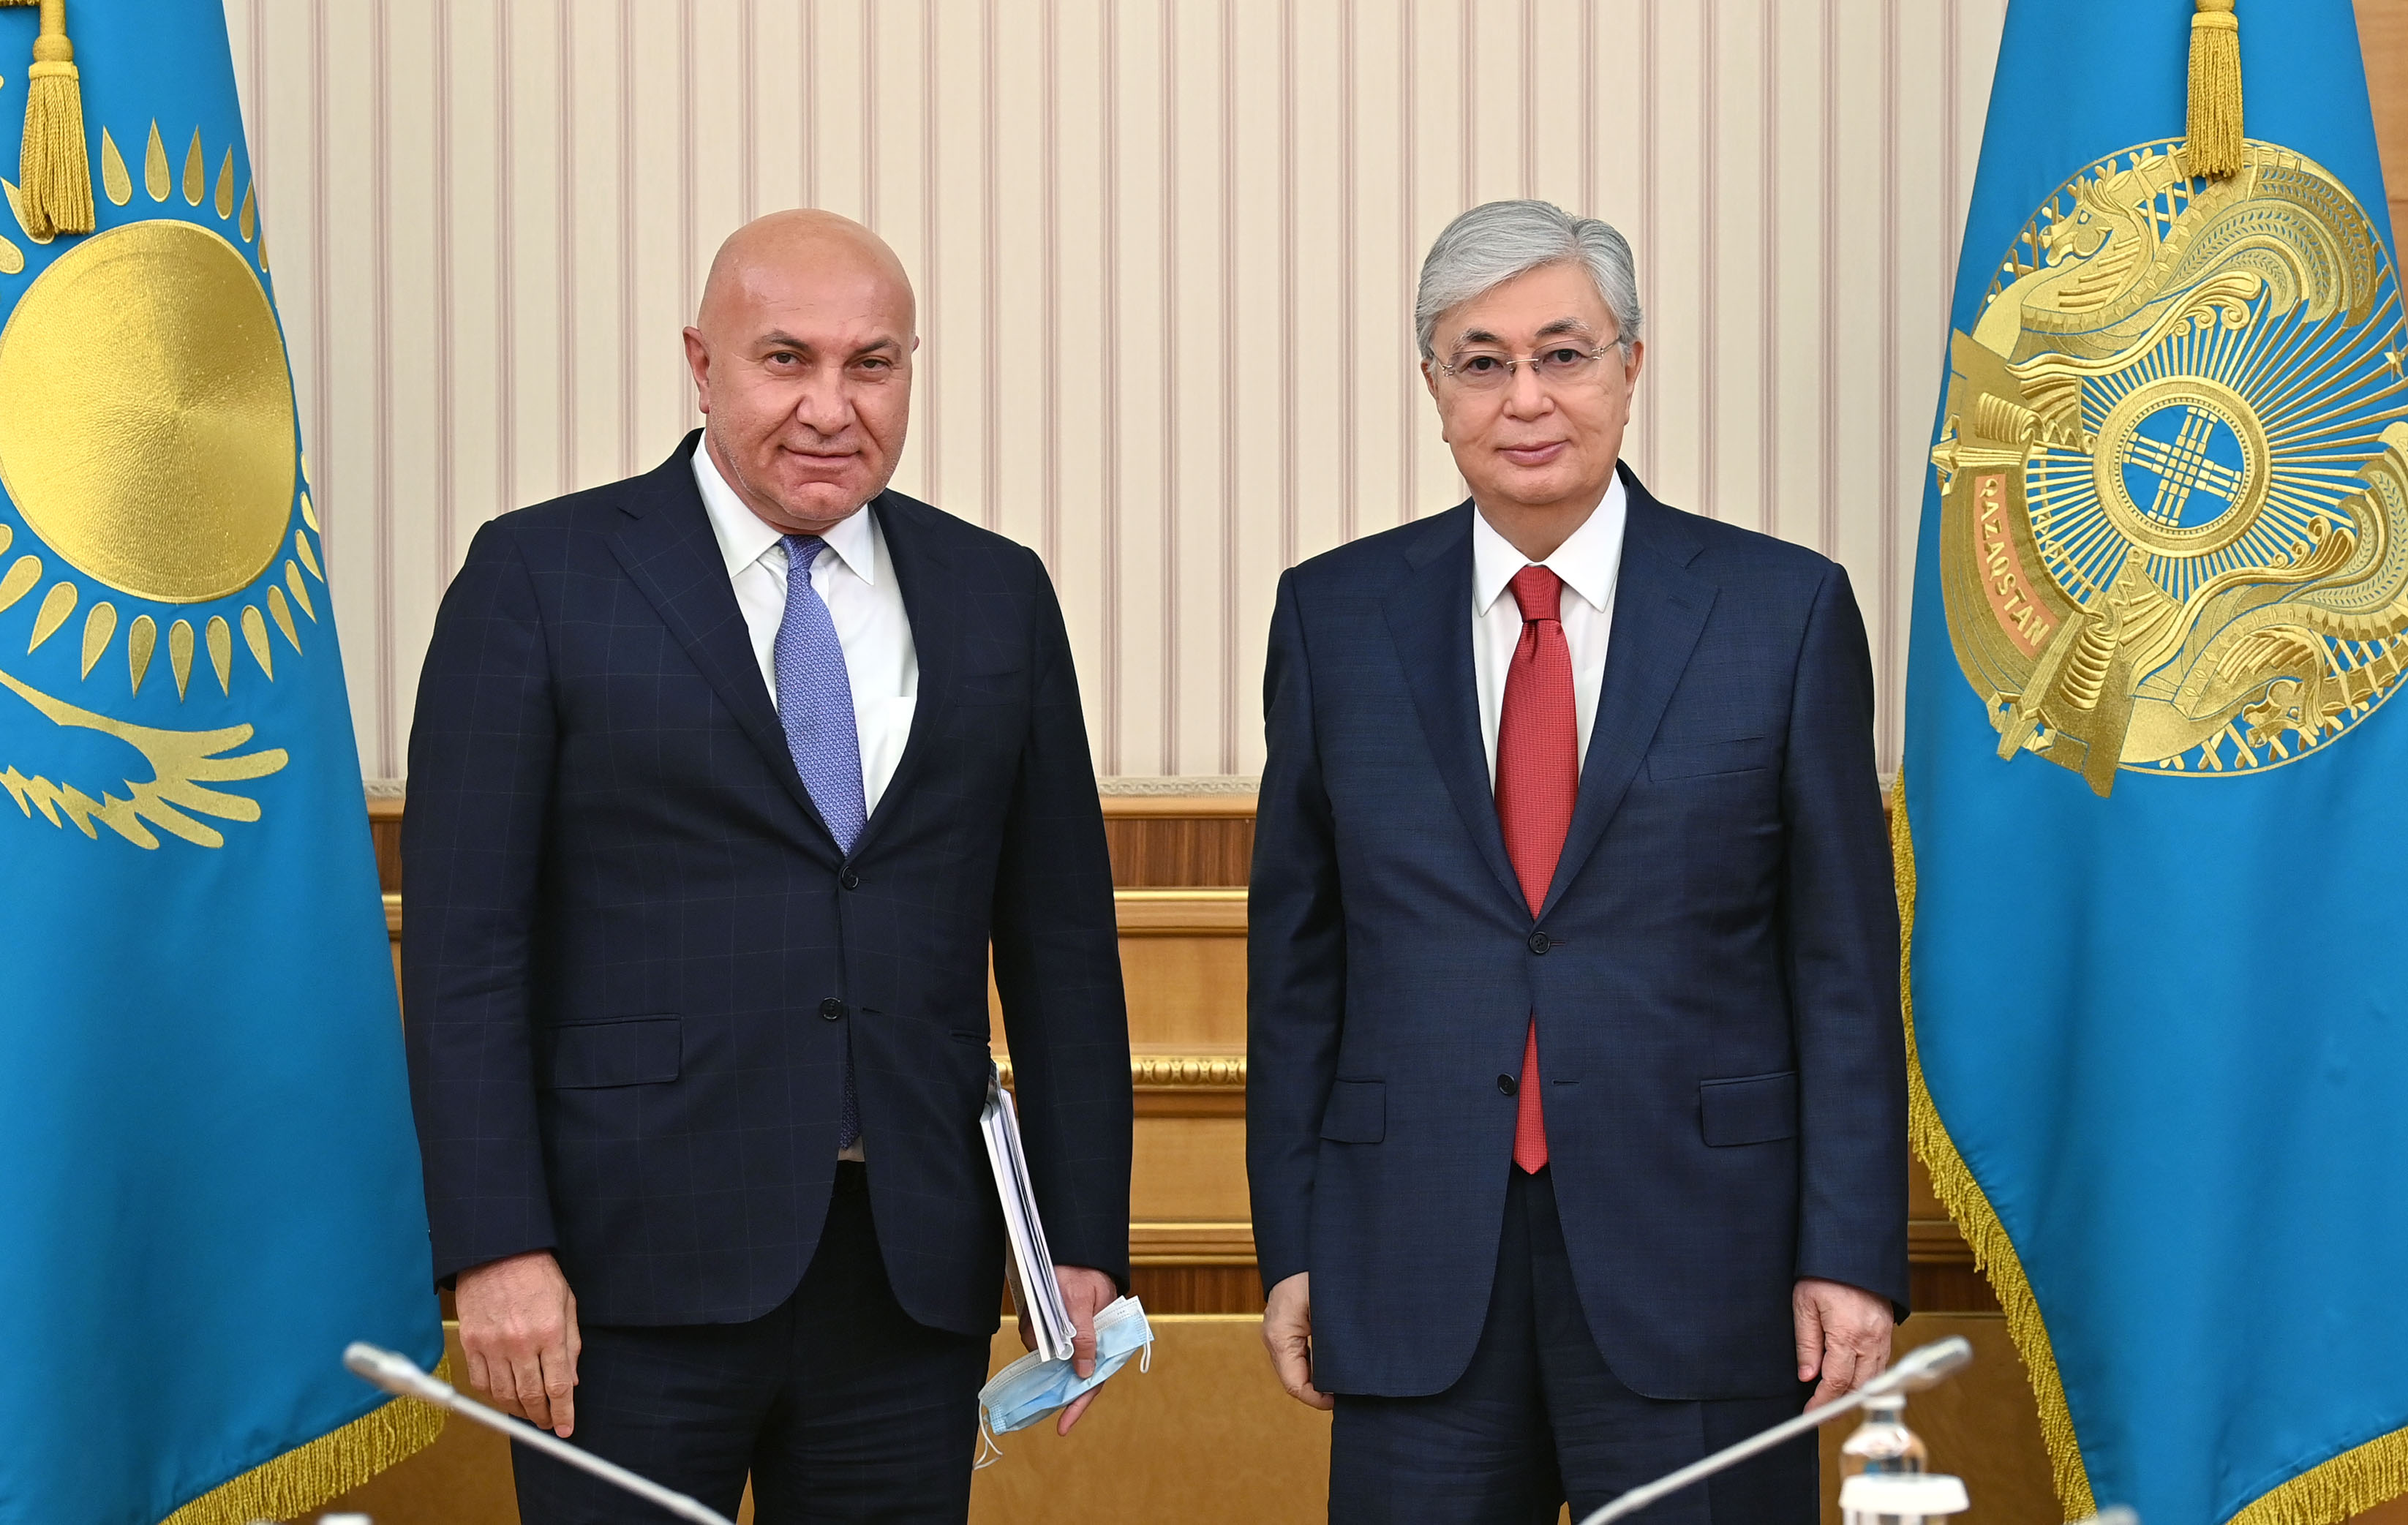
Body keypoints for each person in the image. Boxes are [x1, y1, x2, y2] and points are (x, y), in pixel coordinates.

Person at [402, 209, 1132, 1524]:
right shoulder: (540, 576)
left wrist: (1076, 1242)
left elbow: (1063, 951)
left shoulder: (997, 594)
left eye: (872, 363)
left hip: (908, 1273)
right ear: (702, 363)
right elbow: (465, 951)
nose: (830, 407)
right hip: (622, 1278)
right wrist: (498, 1246)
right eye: (786, 358)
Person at [1247, 199, 1908, 1524]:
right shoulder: (1333, 616)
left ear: (1631, 365)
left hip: (1709, 1268)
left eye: (1564, 353)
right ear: (1433, 386)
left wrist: (1848, 1252)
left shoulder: (1782, 612)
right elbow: (1298, 968)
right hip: (1413, 1258)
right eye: (1481, 361)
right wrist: (1297, 1242)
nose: (1527, 398)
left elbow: (1841, 965)